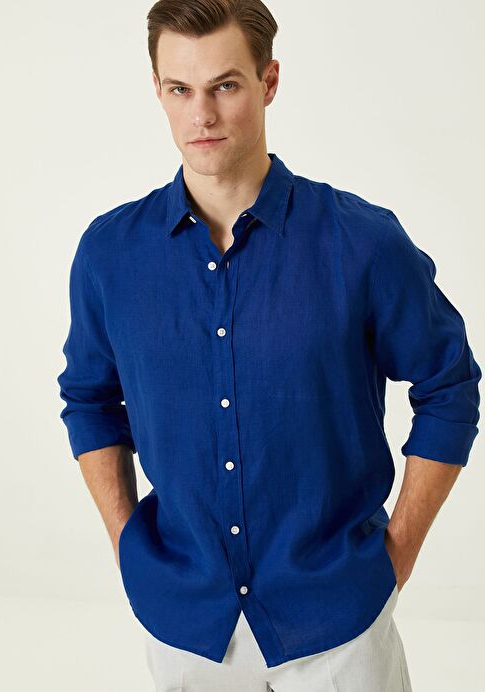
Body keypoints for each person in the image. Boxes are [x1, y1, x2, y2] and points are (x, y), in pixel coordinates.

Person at [56, 1, 481, 690]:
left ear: (269, 82)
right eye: (179, 89)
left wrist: (397, 552)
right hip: (187, 624)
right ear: (157, 90)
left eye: (224, 85)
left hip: (339, 624)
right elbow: (89, 400)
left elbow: (449, 387)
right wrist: (126, 541)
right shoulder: (110, 254)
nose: (201, 115)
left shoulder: (362, 243)